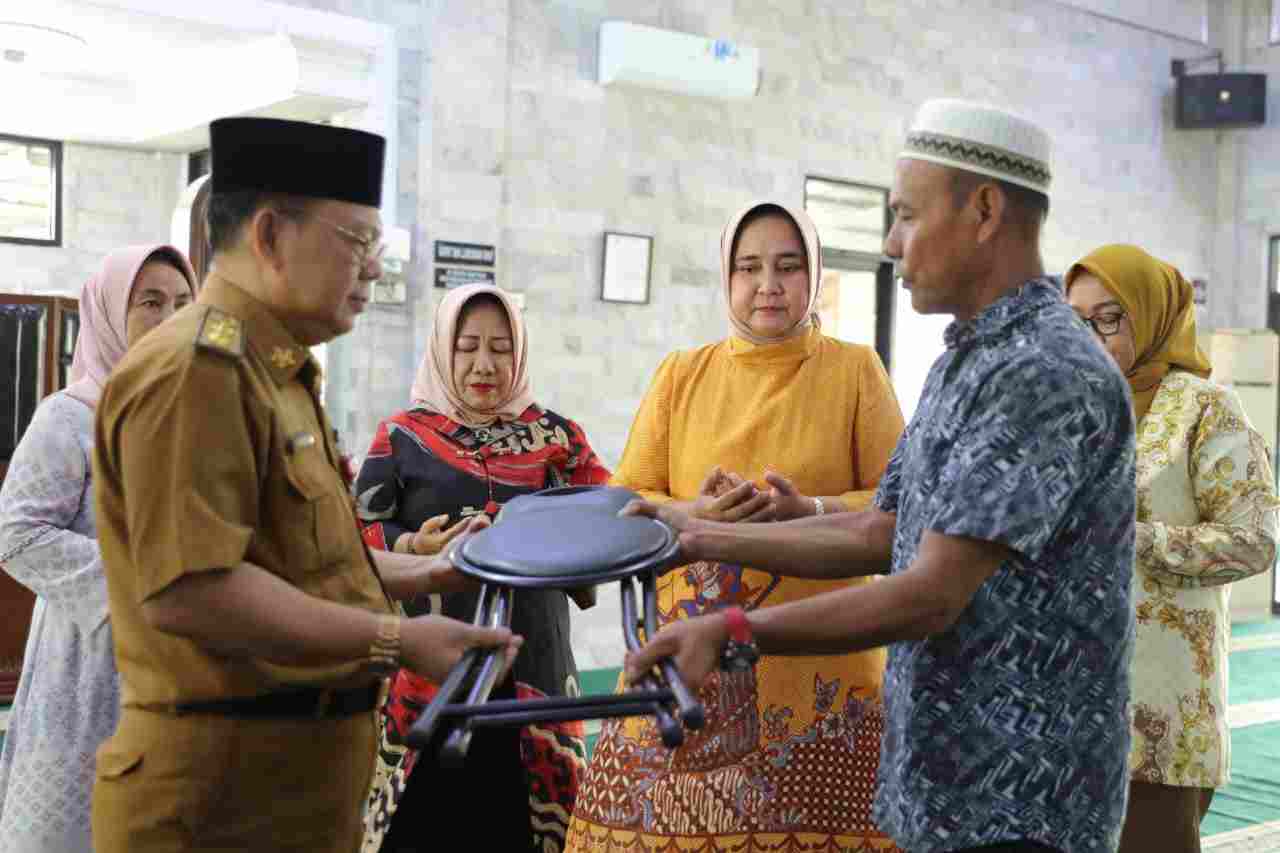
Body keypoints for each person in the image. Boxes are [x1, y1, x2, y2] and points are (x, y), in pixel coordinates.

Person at [620, 100, 1137, 853]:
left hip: (1018, 803)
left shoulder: (1040, 369)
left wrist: (733, 628)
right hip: (942, 794)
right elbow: (881, 529)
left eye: (905, 216)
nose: (892, 244)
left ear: (985, 210)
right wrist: (697, 532)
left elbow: (930, 592)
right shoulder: (967, 359)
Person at [88, 117, 519, 853]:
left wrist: (434, 569)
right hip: (219, 805)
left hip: (286, 790)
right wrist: (398, 638)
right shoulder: (197, 371)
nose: (376, 269)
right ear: (268, 236)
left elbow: (298, 561)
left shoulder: (275, 369)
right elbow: (194, 588)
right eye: (357, 242)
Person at [565, 201, 905, 852]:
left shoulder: (855, 370)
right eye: (748, 267)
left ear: (814, 275)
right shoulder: (681, 373)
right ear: (726, 277)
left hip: (820, 672)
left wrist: (809, 510)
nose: (767, 285)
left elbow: (900, 506)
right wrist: (698, 514)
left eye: (787, 266)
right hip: (691, 663)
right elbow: (625, 498)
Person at [357, 282, 610, 853]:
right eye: (468, 346)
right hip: (426, 677)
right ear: (444, 350)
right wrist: (413, 547)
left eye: (500, 348)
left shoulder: (559, 438)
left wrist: (550, 540)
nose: (484, 364)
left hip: (533, 675)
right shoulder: (401, 436)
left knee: (519, 830)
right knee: (421, 826)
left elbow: (609, 517)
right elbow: (353, 535)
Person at [1065, 245, 1280, 853]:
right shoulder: (1068, 410)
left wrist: (1136, 538)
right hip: (1060, 694)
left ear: (1153, 315)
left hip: (1159, 702)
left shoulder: (1206, 409)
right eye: (1078, 321)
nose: (1092, 336)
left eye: (1110, 317)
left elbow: (1255, 540)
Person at [0, 244, 196, 852]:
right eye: (150, 303)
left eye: (184, 304)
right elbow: (17, 534)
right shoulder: (69, 418)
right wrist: (139, 581)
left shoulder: (202, 414)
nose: (170, 319)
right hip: (88, 667)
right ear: (111, 314)